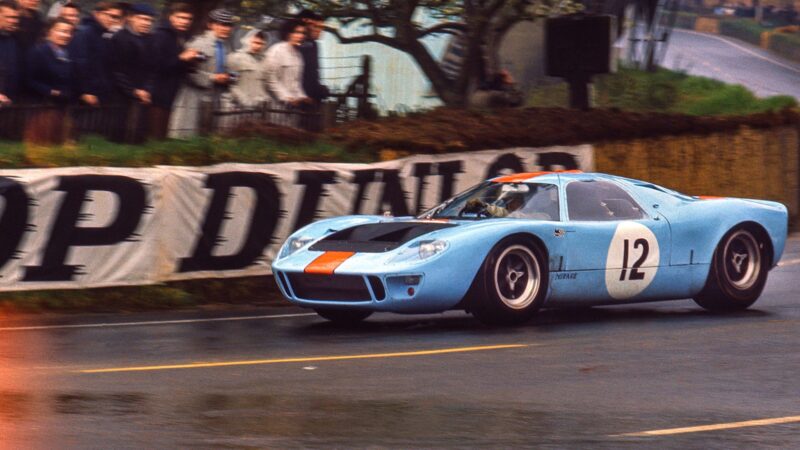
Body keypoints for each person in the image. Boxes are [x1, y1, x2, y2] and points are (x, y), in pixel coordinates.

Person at [168, 8, 236, 138]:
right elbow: (189, 71)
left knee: (208, 138)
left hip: (214, 96)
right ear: (210, 25)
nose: (226, 28)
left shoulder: (226, 46)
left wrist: (228, 77)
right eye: (222, 24)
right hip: (193, 97)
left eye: (229, 25)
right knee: (188, 136)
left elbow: (225, 69)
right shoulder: (199, 43)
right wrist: (212, 78)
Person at [108, 3, 155, 142]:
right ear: (130, 18)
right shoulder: (120, 38)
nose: (146, 23)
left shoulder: (150, 39)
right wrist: (133, 90)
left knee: (137, 135)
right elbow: (116, 70)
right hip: (120, 94)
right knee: (118, 133)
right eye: (142, 19)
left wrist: (147, 89)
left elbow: (152, 69)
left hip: (142, 94)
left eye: (149, 20)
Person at [25, 18, 76, 143]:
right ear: (49, 32)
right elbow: (28, 79)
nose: (66, 35)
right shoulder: (38, 52)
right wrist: (50, 91)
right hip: (41, 104)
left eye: (69, 32)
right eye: (62, 31)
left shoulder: (67, 54)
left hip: (61, 105)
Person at [149, 2, 196, 139]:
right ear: (171, 17)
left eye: (188, 19)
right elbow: (157, 65)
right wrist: (181, 58)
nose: (185, 22)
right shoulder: (161, 35)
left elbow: (179, 65)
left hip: (174, 91)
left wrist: (191, 62)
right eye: (180, 17)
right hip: (158, 92)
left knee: (166, 134)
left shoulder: (183, 36)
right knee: (156, 134)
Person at [70, 1, 123, 106]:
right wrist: (85, 91)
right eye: (111, 16)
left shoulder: (106, 35)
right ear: (97, 14)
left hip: (99, 94)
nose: (113, 20)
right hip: (84, 96)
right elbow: (79, 63)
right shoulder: (85, 33)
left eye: (117, 18)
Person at [264, 18, 309, 128]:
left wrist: (302, 97)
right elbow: (270, 79)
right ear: (288, 33)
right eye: (297, 32)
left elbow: (296, 82)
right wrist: (286, 97)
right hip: (275, 106)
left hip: (293, 108)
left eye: (303, 33)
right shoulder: (276, 51)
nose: (301, 36)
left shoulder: (298, 56)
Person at [227, 29, 267, 108]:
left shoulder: (263, 60)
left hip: (258, 106)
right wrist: (244, 100)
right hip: (239, 106)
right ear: (247, 41)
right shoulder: (236, 57)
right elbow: (230, 84)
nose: (258, 46)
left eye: (261, 43)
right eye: (255, 42)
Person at [296, 9, 329, 104]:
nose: (319, 30)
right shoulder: (300, 44)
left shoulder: (314, 45)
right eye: (316, 26)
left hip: (310, 95)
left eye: (321, 28)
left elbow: (314, 73)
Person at [0, 1, 20, 105]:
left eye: (15, 18)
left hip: (8, 102)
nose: (13, 21)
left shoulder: (12, 39)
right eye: (9, 17)